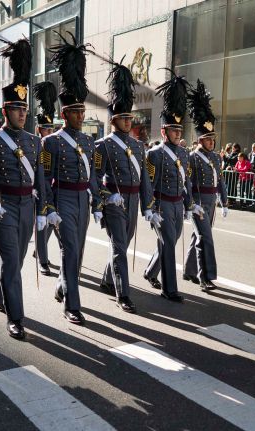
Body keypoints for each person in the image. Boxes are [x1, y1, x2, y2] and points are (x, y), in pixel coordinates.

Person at [0, 38, 48, 340]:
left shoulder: (35, 142)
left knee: (17, 259)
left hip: (27, 208)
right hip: (3, 205)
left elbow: (42, 178)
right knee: (10, 260)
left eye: (25, 108)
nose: (23, 113)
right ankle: (16, 317)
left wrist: (45, 208)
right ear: (5, 110)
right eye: (17, 108)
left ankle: (1, 296)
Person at [41, 34, 102, 324]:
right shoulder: (51, 142)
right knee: (70, 249)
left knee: (78, 250)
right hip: (63, 197)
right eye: (76, 112)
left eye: (82, 111)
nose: (81, 116)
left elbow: (93, 176)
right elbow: (45, 178)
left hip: (83, 200)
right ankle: (73, 305)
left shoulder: (89, 142)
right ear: (65, 113)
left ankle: (63, 285)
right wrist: (47, 208)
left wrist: (99, 202)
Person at [95, 60, 155, 313]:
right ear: (114, 120)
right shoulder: (104, 145)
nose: (128, 122)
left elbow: (145, 179)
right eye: (123, 118)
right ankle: (123, 294)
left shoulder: (139, 146)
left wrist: (148, 206)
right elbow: (95, 178)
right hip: (115, 200)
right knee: (120, 245)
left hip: (132, 201)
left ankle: (108, 279)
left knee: (123, 243)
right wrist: (106, 198)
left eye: (130, 117)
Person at [142, 69, 194, 302]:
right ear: (164, 131)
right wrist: (150, 208)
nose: (177, 133)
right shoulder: (154, 154)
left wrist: (190, 205)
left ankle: (150, 271)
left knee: (169, 243)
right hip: (162, 204)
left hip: (177, 205)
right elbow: (149, 182)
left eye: (179, 130)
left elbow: (187, 181)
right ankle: (169, 289)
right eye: (173, 130)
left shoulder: (184, 153)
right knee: (170, 245)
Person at [182, 80, 228, 292]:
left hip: (212, 202)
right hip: (199, 202)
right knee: (205, 238)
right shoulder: (193, 157)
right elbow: (187, 183)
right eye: (208, 139)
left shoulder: (217, 158)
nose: (211, 142)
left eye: (213, 139)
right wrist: (190, 205)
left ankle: (189, 270)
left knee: (197, 236)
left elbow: (221, 181)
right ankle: (205, 276)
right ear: (200, 139)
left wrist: (225, 202)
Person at [32, 82, 58, 277]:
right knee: (43, 225)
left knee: (52, 225)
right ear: (38, 129)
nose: (48, 133)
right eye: (45, 129)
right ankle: (43, 260)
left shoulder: (54, 145)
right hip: (39, 189)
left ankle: (40, 250)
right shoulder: (34, 145)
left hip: (55, 188)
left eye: (51, 129)